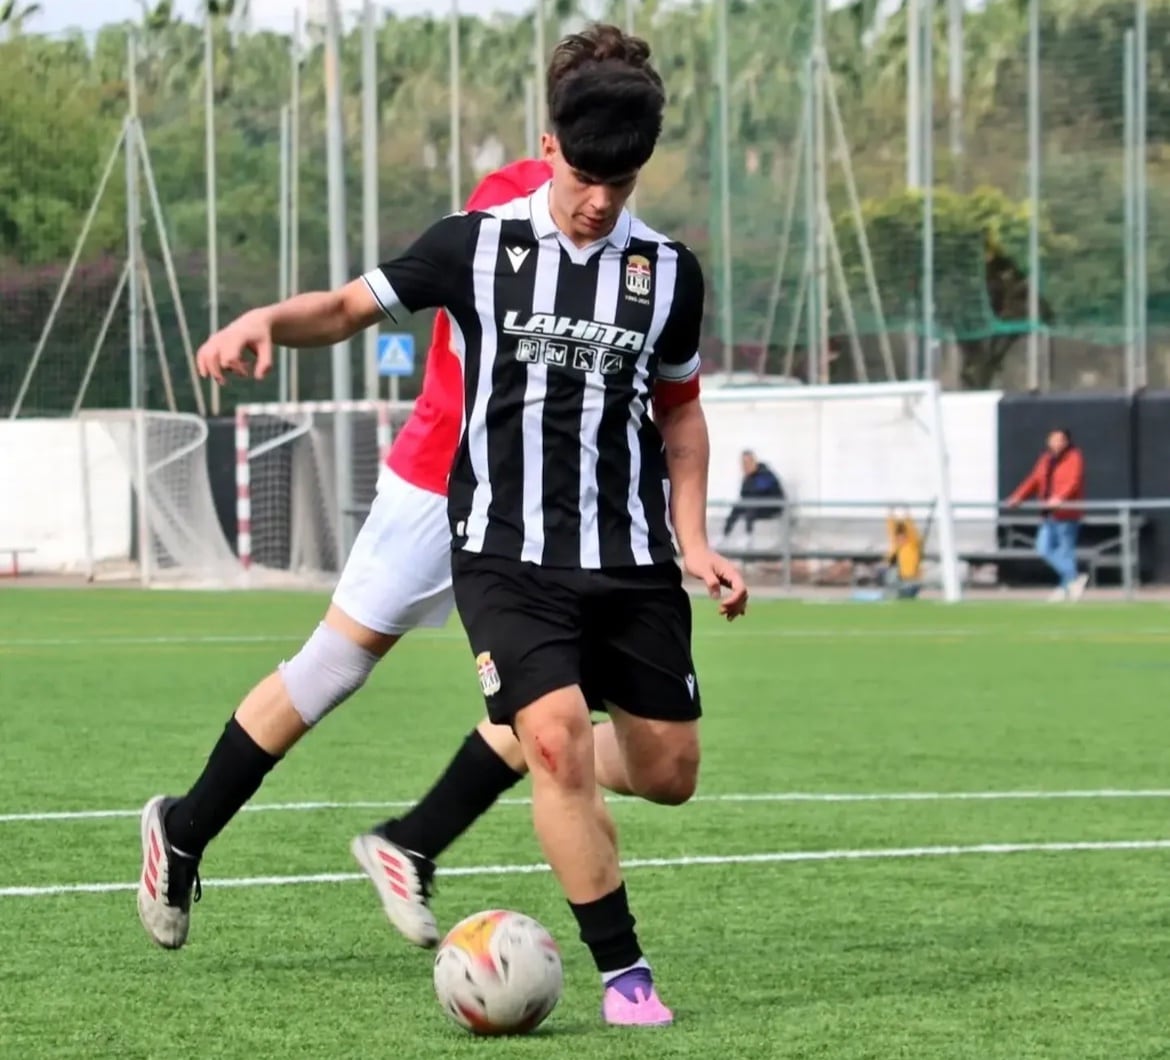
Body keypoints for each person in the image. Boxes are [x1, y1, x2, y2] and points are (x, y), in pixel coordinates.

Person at [1006, 427, 1088, 602]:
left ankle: (1064, 587)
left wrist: (1060, 498)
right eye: (1053, 439)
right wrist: (1018, 497)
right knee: (1044, 548)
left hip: (1067, 513)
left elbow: (1073, 481)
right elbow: (1034, 480)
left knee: (1065, 552)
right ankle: (1073, 579)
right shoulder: (1046, 459)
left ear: (1067, 441)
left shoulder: (1074, 457)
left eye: (1060, 439)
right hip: (1048, 513)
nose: (1056, 443)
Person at [721, 449, 785, 540]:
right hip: (757, 505)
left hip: (772, 506)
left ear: (754, 461)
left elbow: (760, 491)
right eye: (743, 463)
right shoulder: (747, 478)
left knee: (751, 504)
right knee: (737, 507)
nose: (745, 466)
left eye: (747, 462)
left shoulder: (764, 473)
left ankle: (748, 536)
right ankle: (725, 535)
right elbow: (743, 495)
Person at [882, 507, 923, 599]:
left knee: (905, 596)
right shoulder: (896, 546)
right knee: (893, 594)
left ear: (906, 536)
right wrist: (890, 515)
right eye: (898, 537)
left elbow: (912, 531)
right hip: (899, 580)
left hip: (911, 580)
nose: (900, 539)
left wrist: (907, 516)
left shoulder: (912, 545)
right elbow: (891, 530)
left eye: (902, 537)